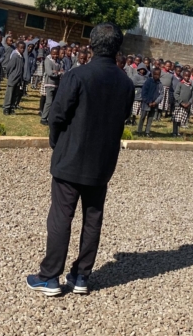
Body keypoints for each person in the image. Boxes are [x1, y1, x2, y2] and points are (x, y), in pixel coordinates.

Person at [27, 23, 134, 296]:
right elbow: (120, 118)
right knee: (93, 218)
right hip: (102, 162)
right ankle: (81, 276)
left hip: (71, 157)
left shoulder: (78, 76)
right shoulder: (125, 83)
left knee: (62, 216)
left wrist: (56, 142)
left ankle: (50, 276)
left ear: (92, 45)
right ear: (117, 48)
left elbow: (57, 116)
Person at [137, 68, 163, 137]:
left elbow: (161, 94)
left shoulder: (160, 84)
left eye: (158, 75)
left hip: (154, 104)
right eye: (155, 74)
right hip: (146, 103)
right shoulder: (148, 81)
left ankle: (147, 131)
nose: (156, 76)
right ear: (152, 74)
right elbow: (144, 92)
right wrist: (148, 101)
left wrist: (156, 102)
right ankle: (139, 130)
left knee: (150, 118)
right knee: (143, 117)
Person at [40, 47, 62, 126]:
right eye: (53, 54)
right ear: (51, 53)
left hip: (56, 84)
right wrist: (58, 73)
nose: (55, 56)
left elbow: (62, 70)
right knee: (48, 102)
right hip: (49, 84)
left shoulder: (58, 61)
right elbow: (49, 73)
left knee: (53, 102)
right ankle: (43, 118)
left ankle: (50, 117)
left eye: (56, 54)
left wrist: (57, 72)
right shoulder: (48, 61)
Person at [3, 41, 26, 115]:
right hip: (13, 78)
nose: (22, 49)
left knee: (15, 94)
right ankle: (6, 108)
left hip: (19, 79)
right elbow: (9, 67)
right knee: (9, 94)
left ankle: (12, 108)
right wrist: (10, 75)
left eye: (23, 48)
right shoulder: (15, 56)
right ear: (17, 48)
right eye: (21, 48)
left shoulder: (22, 57)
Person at [172, 70, 193, 137]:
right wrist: (181, 102)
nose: (187, 77)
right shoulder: (180, 84)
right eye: (185, 76)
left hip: (186, 106)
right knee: (176, 119)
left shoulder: (190, 86)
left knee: (181, 120)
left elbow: (192, 96)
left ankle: (178, 132)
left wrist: (189, 103)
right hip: (179, 105)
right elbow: (176, 94)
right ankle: (174, 132)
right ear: (183, 76)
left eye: (188, 76)